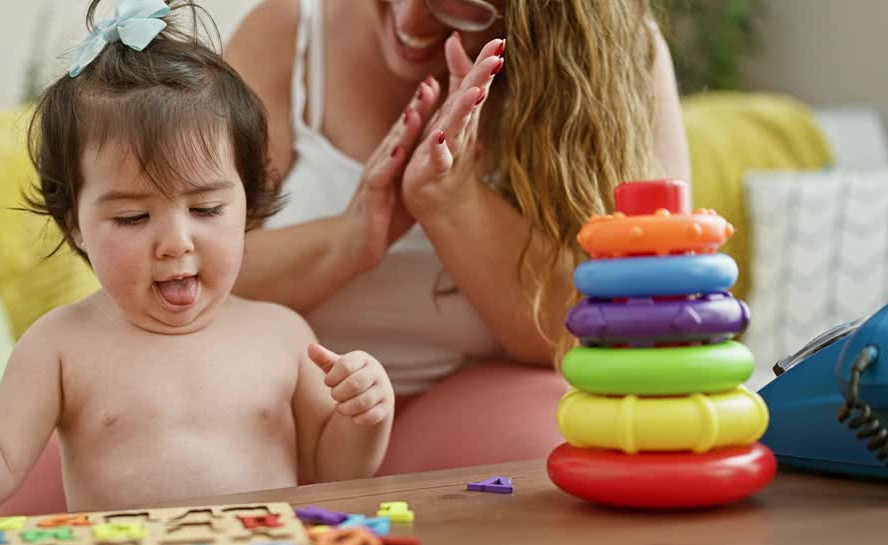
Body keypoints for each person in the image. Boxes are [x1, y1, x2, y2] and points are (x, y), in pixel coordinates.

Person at [0, 0, 395, 514]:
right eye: (133, 218)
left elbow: (338, 469)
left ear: (246, 203)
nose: (176, 242)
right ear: (77, 227)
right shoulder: (60, 346)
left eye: (205, 208)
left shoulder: (283, 335)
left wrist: (364, 414)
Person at [223, 0, 690, 474]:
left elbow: (603, 328)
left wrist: (452, 200)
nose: (408, 23)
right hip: (297, 409)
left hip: (469, 408)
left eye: (461, 7)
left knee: (572, 441)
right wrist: (351, 239)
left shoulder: (609, 56)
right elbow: (191, 271)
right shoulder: (288, 33)